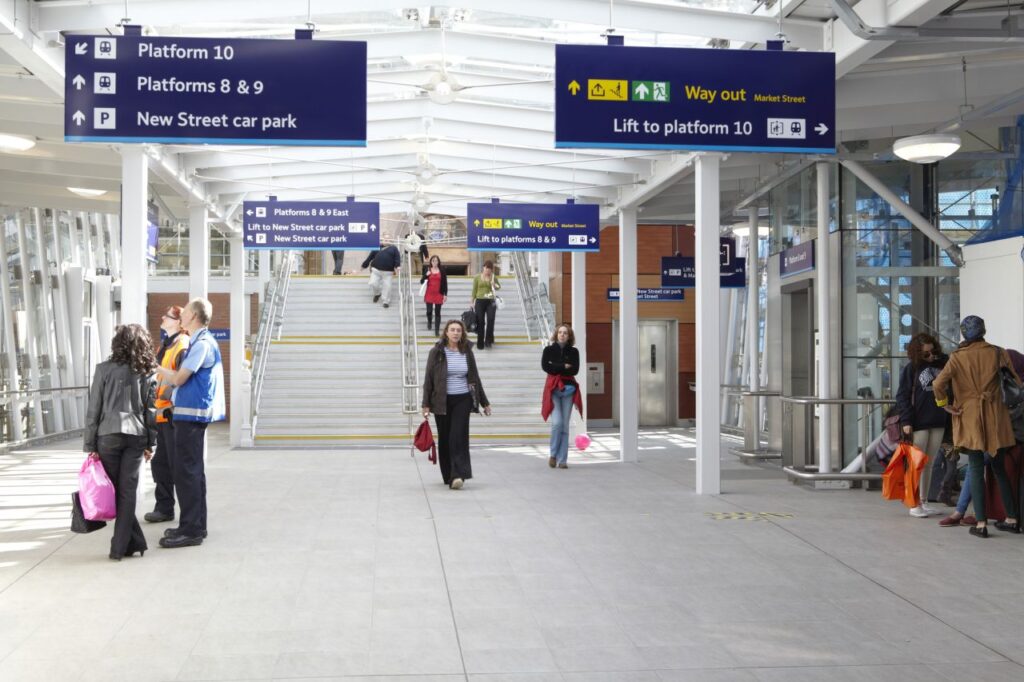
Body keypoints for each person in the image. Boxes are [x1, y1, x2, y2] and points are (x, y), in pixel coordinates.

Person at [933, 315, 1022, 538]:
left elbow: (937, 384)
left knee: (974, 467)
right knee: (998, 467)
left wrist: (945, 405)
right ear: (983, 330)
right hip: (996, 416)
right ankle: (1012, 519)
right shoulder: (998, 352)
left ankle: (980, 524)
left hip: (968, 416)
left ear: (964, 333)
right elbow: (1016, 383)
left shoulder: (957, 357)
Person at [83, 324, 158, 561]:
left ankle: (120, 546)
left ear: (117, 343)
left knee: (116, 492)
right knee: (127, 493)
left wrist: (90, 445)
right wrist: (150, 443)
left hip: (108, 435)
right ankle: (131, 543)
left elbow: (93, 408)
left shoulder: (103, 369)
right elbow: (151, 411)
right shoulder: (147, 372)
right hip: (136, 436)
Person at [155, 298, 225, 548]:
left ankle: (191, 529)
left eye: (184, 312)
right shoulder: (201, 342)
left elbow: (180, 378)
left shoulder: (201, 344)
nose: (181, 314)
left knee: (187, 473)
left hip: (190, 416)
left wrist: (156, 367)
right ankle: (194, 525)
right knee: (192, 472)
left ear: (194, 316)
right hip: (190, 415)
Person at [422, 319, 491, 490]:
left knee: (457, 437)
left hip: (463, 399)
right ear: (446, 332)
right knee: (445, 438)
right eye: (452, 330)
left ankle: (457, 475)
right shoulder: (436, 352)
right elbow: (428, 379)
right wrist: (425, 404)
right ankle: (448, 474)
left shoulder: (467, 351)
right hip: (441, 401)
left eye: (458, 330)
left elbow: (475, 378)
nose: (455, 333)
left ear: (462, 333)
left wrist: (484, 402)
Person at [895, 333, 950, 518]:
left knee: (930, 463)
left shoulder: (942, 364)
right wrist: (906, 421)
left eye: (932, 351)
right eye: (926, 353)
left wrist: (939, 358)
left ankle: (924, 501)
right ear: (917, 354)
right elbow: (902, 395)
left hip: (938, 418)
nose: (930, 355)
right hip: (918, 421)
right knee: (916, 463)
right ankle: (913, 502)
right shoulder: (912, 369)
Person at [144, 306, 190, 524]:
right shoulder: (167, 344)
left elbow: (181, 378)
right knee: (161, 464)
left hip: (172, 414)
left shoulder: (181, 345)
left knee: (174, 464)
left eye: (167, 316)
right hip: (162, 414)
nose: (162, 317)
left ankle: (176, 511)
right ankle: (164, 508)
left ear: (178, 322)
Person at [541, 324, 583, 469]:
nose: (562, 335)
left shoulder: (574, 352)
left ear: (569, 336)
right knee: (557, 423)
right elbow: (546, 367)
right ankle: (553, 454)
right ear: (556, 334)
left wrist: (556, 366)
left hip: (568, 391)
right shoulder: (548, 350)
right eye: (560, 332)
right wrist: (563, 366)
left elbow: (575, 370)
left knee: (565, 426)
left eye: (565, 333)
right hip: (553, 390)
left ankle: (562, 459)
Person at [470, 259, 501, 350]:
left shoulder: (493, 277)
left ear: (491, 270)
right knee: (481, 321)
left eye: (489, 269)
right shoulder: (477, 278)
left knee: (491, 320)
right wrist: (471, 302)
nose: (487, 270)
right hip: (479, 301)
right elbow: (474, 290)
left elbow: (499, 287)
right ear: (483, 267)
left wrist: (494, 284)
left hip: (491, 301)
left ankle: (488, 341)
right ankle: (480, 341)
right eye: (486, 268)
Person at [361, 244, 401, 308]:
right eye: (384, 238)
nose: (386, 240)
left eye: (388, 238)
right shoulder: (376, 247)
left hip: (388, 272)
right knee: (372, 283)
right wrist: (364, 265)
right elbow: (370, 257)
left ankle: (386, 301)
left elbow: (397, 258)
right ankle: (377, 294)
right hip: (376, 270)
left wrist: (397, 266)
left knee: (387, 287)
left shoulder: (394, 248)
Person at [421, 255, 448, 336]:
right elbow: (421, 281)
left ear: (438, 262)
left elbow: (445, 283)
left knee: (437, 312)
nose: (435, 262)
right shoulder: (427, 269)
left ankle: (437, 330)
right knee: (429, 311)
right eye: (433, 261)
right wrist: (426, 275)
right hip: (429, 293)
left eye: (436, 261)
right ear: (431, 262)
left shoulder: (442, 270)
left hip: (439, 294)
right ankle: (429, 321)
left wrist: (445, 294)